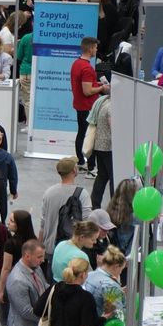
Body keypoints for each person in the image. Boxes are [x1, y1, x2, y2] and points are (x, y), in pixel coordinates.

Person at [39, 158, 91, 267]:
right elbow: (87, 222)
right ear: (73, 171)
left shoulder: (49, 192)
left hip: (50, 248)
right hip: (72, 250)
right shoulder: (82, 194)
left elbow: (42, 223)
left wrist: (40, 247)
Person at [70, 37, 107, 173]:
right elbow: (87, 91)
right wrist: (101, 88)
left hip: (80, 105)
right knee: (90, 136)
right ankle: (91, 167)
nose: (96, 50)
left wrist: (98, 84)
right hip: (88, 106)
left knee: (81, 133)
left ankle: (81, 161)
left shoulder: (76, 64)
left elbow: (87, 85)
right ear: (91, 48)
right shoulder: (87, 68)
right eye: (95, 47)